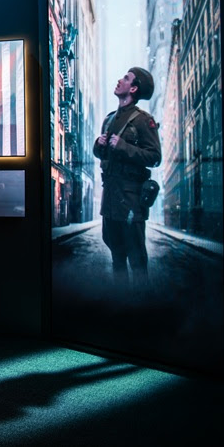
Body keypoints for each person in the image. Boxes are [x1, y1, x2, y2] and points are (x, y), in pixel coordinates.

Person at [93, 67, 161, 287]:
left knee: (137, 259)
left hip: (131, 199)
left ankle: (142, 308)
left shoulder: (143, 120)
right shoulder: (109, 119)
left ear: (133, 88)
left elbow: (154, 156)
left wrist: (123, 146)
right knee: (116, 256)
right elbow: (102, 155)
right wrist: (98, 145)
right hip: (111, 197)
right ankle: (121, 303)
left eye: (126, 78)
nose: (119, 80)